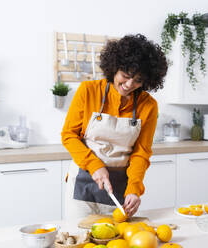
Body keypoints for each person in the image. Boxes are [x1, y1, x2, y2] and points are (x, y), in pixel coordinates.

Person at [61, 34, 168, 219]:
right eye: (125, 76)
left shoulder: (148, 105)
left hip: (120, 188)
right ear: (114, 68)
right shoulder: (88, 91)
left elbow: (141, 152)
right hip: (83, 182)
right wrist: (95, 166)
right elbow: (69, 135)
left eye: (138, 81)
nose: (129, 85)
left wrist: (134, 188)